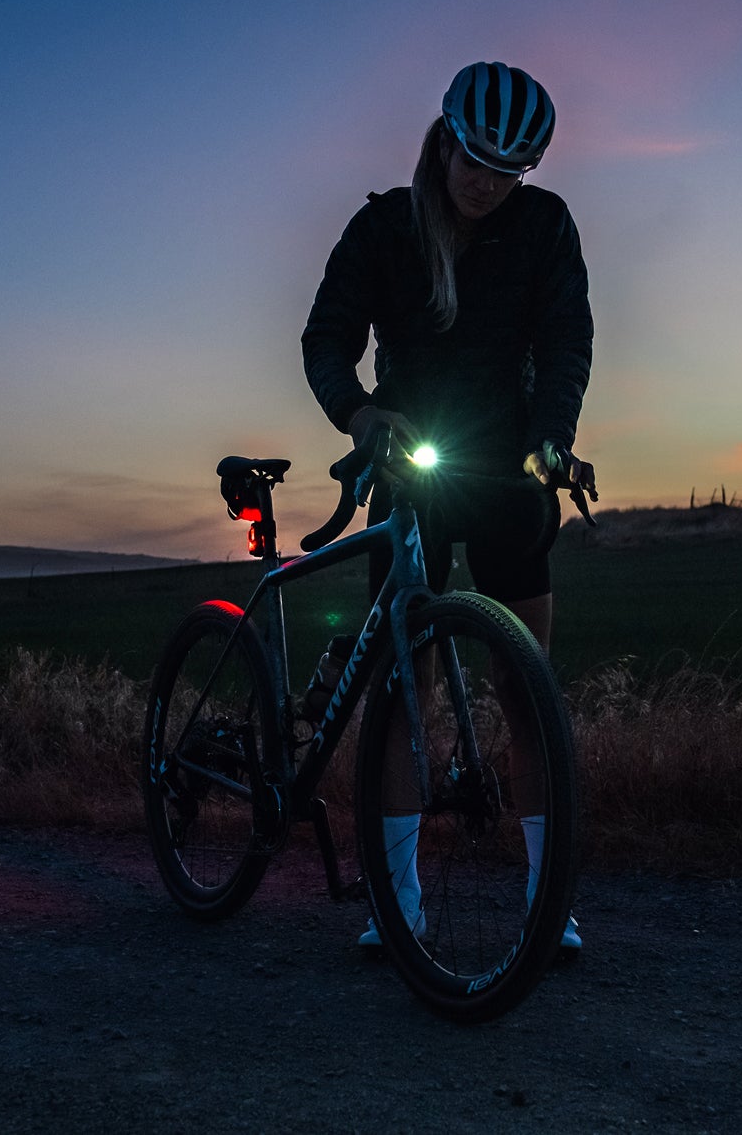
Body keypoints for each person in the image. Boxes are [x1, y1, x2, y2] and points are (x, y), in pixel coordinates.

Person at [301, 59, 596, 953]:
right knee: (406, 690)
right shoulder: (385, 227)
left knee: (526, 685)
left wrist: (552, 438)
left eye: (510, 170)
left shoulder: (544, 227)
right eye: (476, 160)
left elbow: (567, 341)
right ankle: (397, 905)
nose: (488, 183)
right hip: (409, 470)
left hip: (506, 474)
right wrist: (360, 415)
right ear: (444, 142)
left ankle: (549, 903)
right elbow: (326, 338)